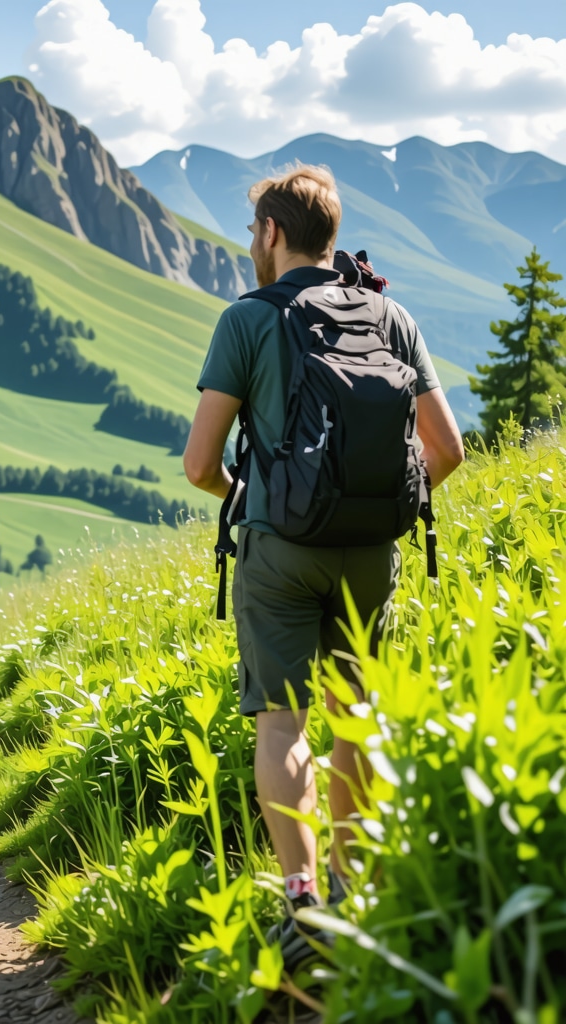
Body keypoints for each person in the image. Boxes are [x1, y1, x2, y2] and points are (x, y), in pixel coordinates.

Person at [183, 166, 464, 965]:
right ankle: (357, 893)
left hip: (280, 551)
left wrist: (260, 495)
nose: (249, 245)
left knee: (284, 721)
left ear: (271, 233)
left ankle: (301, 902)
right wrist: (381, 508)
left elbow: (200, 464)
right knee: (357, 715)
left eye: (251, 233)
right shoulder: (393, 316)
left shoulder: (248, 320)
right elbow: (447, 449)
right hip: (374, 554)